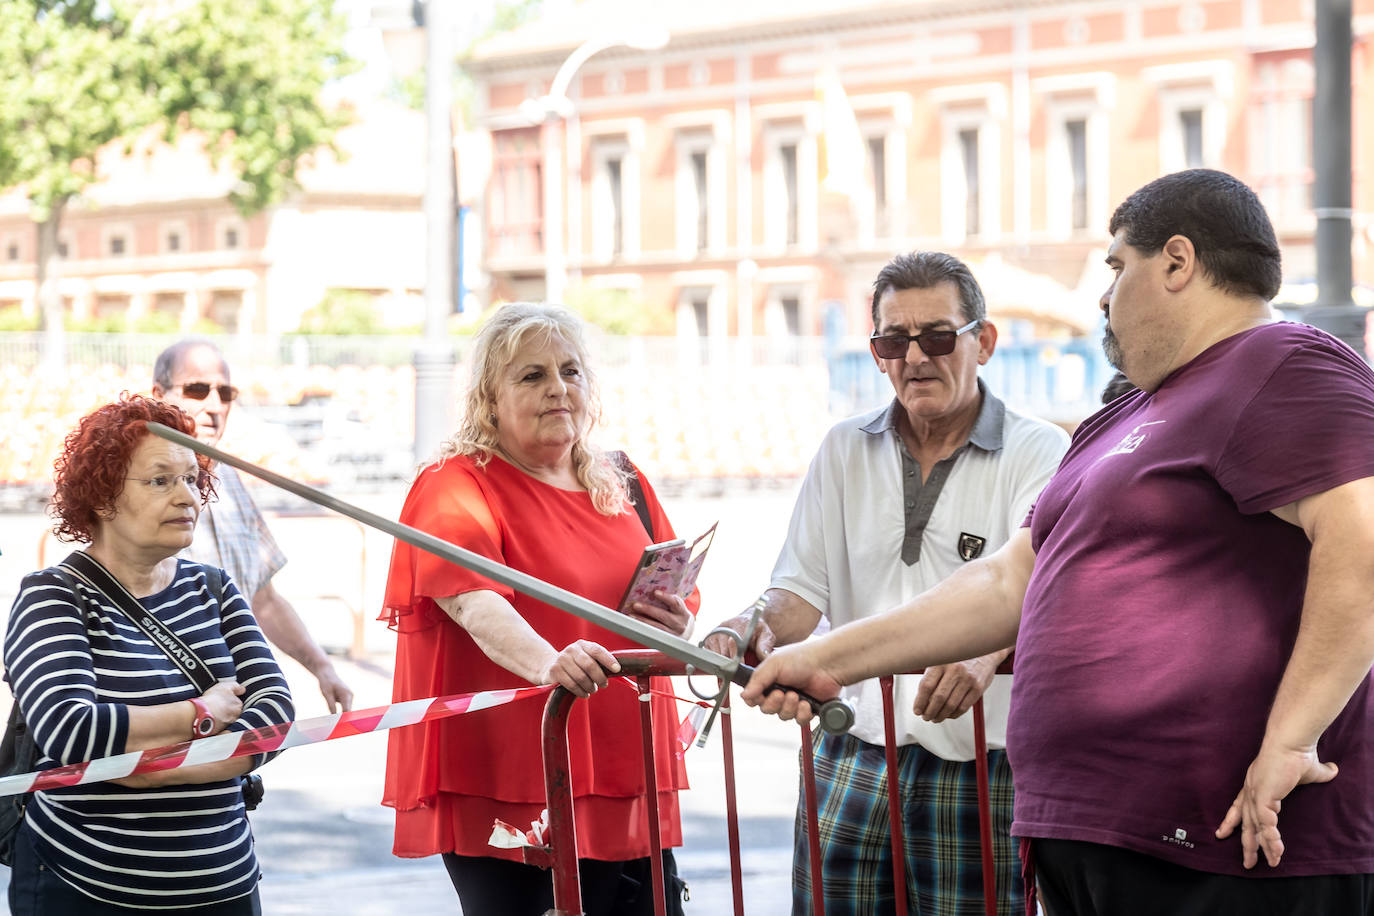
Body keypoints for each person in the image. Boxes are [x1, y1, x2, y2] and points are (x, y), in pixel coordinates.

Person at [742, 170, 1374, 915]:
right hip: (1104, 842)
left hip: (1223, 853)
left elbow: (1361, 547)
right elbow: (1008, 583)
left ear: (1177, 262)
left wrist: (1292, 741)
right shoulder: (1127, 416)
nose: (1103, 297)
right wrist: (824, 657)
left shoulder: (1286, 364)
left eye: (1115, 267)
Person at [708, 251, 1068, 915]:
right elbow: (796, 593)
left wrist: (985, 652)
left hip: (980, 762)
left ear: (982, 342)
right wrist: (745, 625)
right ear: (875, 352)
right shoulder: (843, 448)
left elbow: (1038, 590)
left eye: (937, 337)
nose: (915, 358)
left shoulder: (1039, 450)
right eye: (891, 340)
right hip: (848, 748)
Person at [380, 302, 698, 916]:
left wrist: (675, 624)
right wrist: (552, 663)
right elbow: (474, 603)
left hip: (626, 767)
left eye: (571, 371)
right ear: (489, 398)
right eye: (531, 376)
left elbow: (673, 594)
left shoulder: (623, 480)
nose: (558, 389)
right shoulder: (453, 486)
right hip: (515, 777)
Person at [4, 395, 294, 913]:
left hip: (224, 885)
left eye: (191, 479)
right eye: (160, 480)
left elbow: (274, 721)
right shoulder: (53, 595)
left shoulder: (215, 588)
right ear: (102, 497)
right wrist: (204, 715)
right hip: (85, 886)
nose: (187, 497)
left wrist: (131, 767)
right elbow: (70, 732)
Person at [152, 339, 354, 713]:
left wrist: (322, 667)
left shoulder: (229, 478)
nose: (214, 406)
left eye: (225, 393)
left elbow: (264, 601)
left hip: (237, 703)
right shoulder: (137, 483)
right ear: (158, 395)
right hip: (169, 706)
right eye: (197, 389)